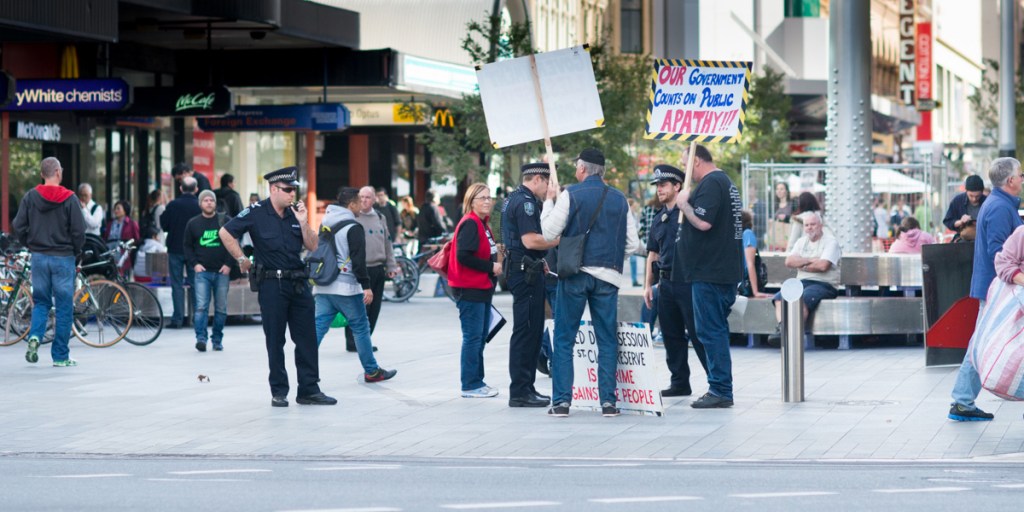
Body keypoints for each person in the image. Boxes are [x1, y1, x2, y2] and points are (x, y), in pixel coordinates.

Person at [219, 166, 336, 408]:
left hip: (298, 284)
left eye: (294, 190)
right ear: (274, 189)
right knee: (275, 340)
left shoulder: (297, 213)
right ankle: (279, 391)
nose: (292, 194)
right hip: (272, 284)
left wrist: (304, 223)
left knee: (306, 338)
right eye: (288, 190)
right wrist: (241, 259)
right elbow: (225, 232)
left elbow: (314, 246)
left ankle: (309, 390)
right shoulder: (256, 212)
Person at [541, 148, 640, 417]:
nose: (575, 171)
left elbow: (549, 232)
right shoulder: (620, 199)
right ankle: (608, 403)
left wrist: (549, 201)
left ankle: (561, 402)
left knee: (564, 339)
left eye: (577, 167)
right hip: (608, 277)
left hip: (574, 275)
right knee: (606, 340)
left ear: (583, 169)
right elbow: (633, 244)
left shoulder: (569, 194)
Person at [948, 157, 1023, 421]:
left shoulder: (998, 204)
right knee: (980, 344)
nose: (1023, 179)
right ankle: (962, 401)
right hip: (1000, 290)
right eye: (1020, 175)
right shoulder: (1001, 208)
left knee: (979, 342)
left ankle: (962, 401)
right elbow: (999, 252)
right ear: (1010, 180)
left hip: (995, 287)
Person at [673, 144, 743, 409]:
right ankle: (720, 387)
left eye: (685, 163)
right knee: (714, 330)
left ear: (697, 161)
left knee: (710, 331)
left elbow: (703, 222)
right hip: (719, 269)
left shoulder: (712, 183)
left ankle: (720, 389)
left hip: (710, 271)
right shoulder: (725, 182)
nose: (685, 169)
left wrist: (684, 204)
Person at [313, 187, 398, 383]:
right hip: (346, 287)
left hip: (324, 285)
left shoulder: (326, 221)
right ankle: (372, 371)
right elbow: (358, 261)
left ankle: (305, 366)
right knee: (360, 327)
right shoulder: (353, 226)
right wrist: (366, 286)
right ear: (351, 204)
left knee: (318, 327)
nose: (362, 205)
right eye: (359, 201)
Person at [13, 157, 85, 367]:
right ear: (58, 173)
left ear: (42, 174)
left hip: (39, 257)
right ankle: (61, 356)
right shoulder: (70, 198)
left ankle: (35, 336)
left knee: (41, 302)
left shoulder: (30, 197)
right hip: (63, 258)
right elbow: (79, 231)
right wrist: (76, 250)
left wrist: (30, 243)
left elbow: (18, 226)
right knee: (64, 307)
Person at [644, 164, 707, 398]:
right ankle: (679, 381)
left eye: (663, 185)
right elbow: (653, 253)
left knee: (698, 334)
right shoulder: (659, 218)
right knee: (671, 336)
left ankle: (716, 383)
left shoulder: (688, 213)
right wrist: (647, 286)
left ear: (677, 186)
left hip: (688, 282)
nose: (659, 189)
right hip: (666, 282)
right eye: (657, 186)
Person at [502, 162, 560, 408]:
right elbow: (531, 240)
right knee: (527, 331)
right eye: (547, 183)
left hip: (526, 268)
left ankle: (526, 387)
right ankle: (520, 391)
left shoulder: (512, 198)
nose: (548, 189)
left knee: (530, 330)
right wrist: (558, 241)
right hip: (525, 274)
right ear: (537, 178)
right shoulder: (525, 203)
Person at [448, 183, 502, 399]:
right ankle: (470, 384)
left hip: (481, 288)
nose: (487, 201)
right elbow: (464, 255)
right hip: (469, 288)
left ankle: (477, 381)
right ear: (471, 202)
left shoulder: (482, 223)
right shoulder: (470, 223)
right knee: (472, 337)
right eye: (482, 198)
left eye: (489, 197)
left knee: (479, 337)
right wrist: (491, 267)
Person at [767, 212, 841, 347]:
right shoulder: (801, 242)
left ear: (821, 225)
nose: (809, 228)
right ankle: (782, 329)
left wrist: (801, 264)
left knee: (803, 299)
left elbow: (823, 266)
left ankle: (793, 335)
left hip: (825, 284)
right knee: (779, 298)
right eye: (807, 225)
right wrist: (810, 261)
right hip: (802, 282)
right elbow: (789, 261)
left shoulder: (831, 242)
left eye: (813, 224)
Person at [344, 186, 401, 353]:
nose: (364, 200)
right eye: (361, 197)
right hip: (360, 269)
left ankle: (365, 340)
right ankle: (352, 341)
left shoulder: (380, 217)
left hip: (378, 268)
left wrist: (391, 265)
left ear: (374, 199)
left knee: (374, 308)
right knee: (358, 308)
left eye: (368, 197)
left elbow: (387, 242)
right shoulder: (352, 217)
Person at [184, 190, 233, 352]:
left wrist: (229, 264)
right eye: (205, 200)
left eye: (211, 200)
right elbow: (187, 246)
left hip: (221, 272)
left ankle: (217, 340)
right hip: (202, 273)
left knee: (221, 309)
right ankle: (201, 339)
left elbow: (234, 242)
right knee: (201, 307)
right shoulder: (193, 223)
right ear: (200, 204)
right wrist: (194, 264)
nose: (209, 202)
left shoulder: (224, 220)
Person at [161, 177, 202, 329]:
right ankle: (197, 319)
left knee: (177, 285)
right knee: (195, 285)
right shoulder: (199, 205)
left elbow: (164, 225)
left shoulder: (173, 205)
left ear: (180, 188)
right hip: (195, 250)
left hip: (175, 248)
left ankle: (177, 319)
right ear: (196, 189)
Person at [943, 175, 987, 241]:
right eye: (971, 196)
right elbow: (948, 221)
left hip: (983, 239)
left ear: (982, 192)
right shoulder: (958, 201)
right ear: (966, 191)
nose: (974, 199)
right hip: (964, 239)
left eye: (977, 196)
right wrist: (960, 222)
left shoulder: (987, 202)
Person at [740, 210, 771, 298]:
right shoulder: (748, 234)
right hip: (747, 284)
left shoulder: (738, 236)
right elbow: (750, 264)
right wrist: (755, 291)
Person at [628, 198, 643, 287]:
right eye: (633, 206)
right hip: (628, 240)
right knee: (632, 260)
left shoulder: (635, 215)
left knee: (634, 261)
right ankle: (634, 280)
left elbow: (638, 226)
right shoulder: (626, 215)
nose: (634, 208)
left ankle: (634, 280)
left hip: (634, 240)